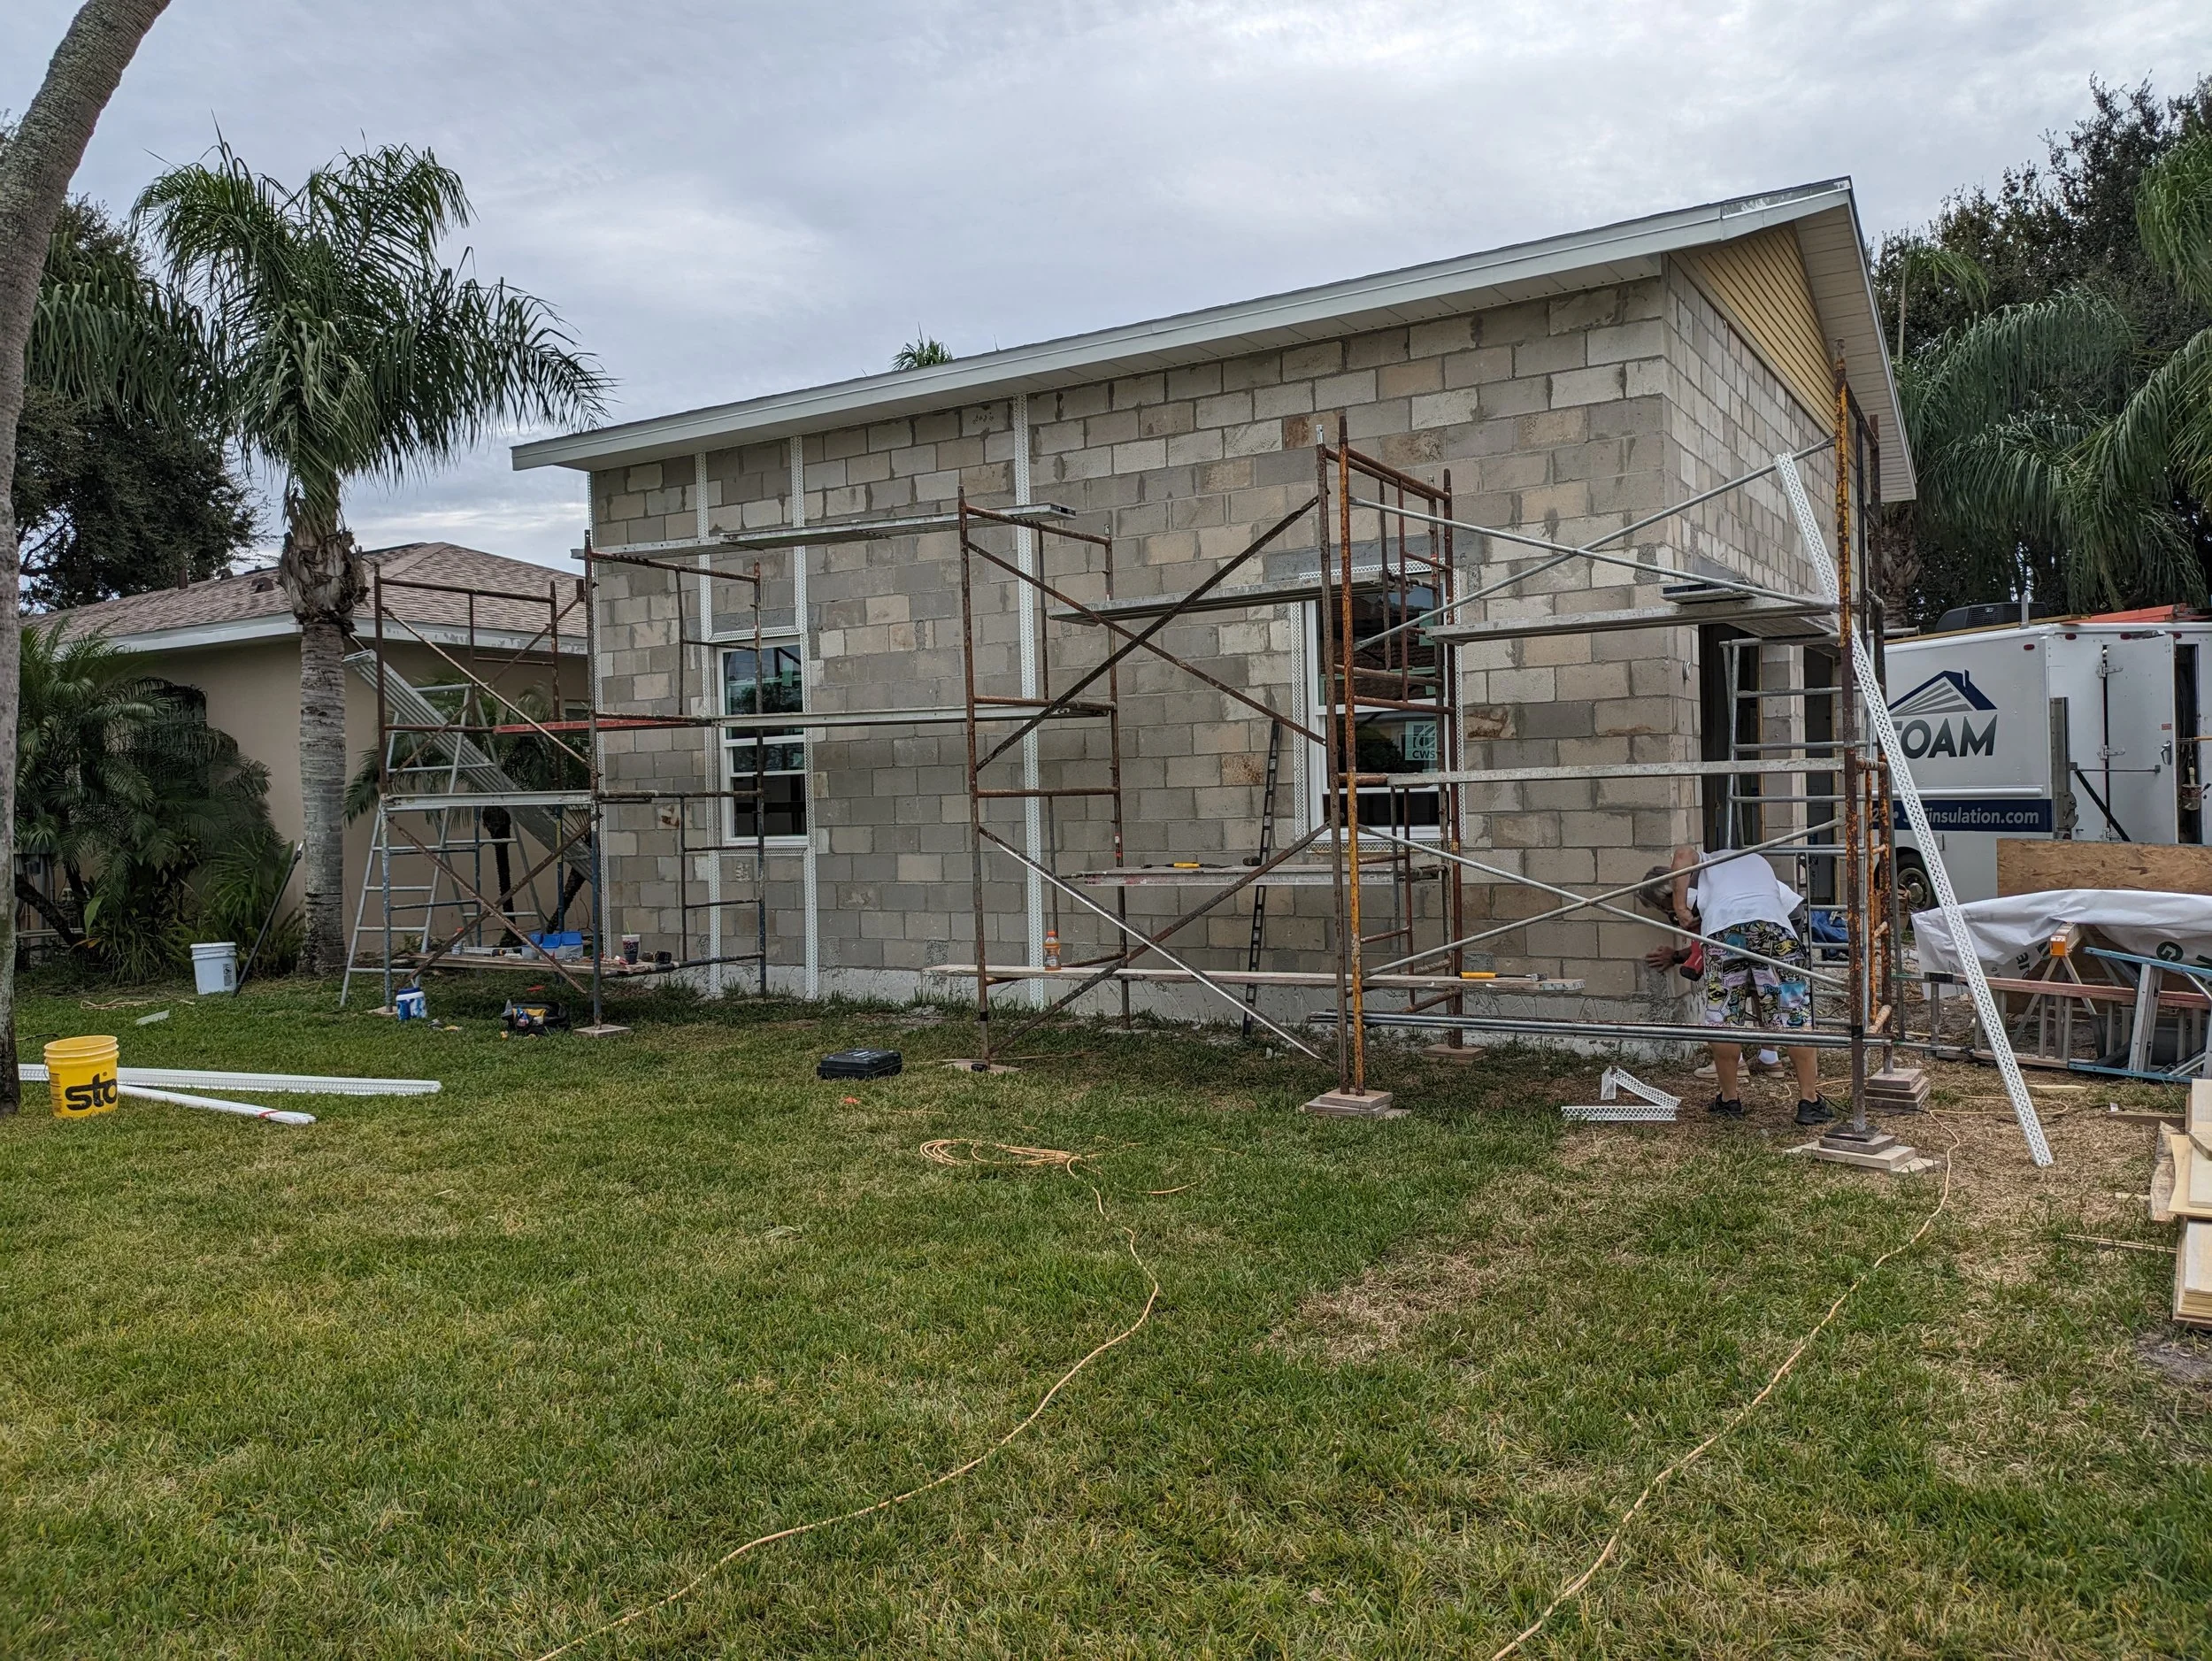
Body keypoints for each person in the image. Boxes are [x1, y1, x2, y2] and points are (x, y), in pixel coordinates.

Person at [1644, 845, 1834, 1126]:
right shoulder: (1753, 861)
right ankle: (1809, 1101)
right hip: (1773, 930)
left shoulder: (1708, 862)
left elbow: (1683, 854)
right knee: (1792, 1014)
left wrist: (1680, 909)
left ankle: (1729, 1099)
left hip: (1724, 935)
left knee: (1724, 1016)